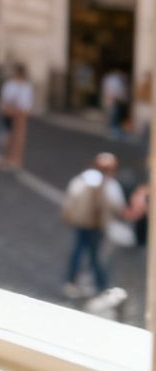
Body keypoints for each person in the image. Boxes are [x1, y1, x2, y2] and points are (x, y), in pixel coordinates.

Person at [63, 153, 129, 298]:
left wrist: (68, 215)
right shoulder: (111, 185)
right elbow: (118, 206)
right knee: (94, 255)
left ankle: (70, 282)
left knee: (78, 251)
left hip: (81, 222)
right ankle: (102, 285)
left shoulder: (84, 178)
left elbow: (71, 195)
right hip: (98, 226)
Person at [0, 63, 35, 172]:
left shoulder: (26, 86)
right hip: (10, 115)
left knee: (18, 139)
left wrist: (22, 111)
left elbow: (28, 105)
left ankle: (16, 160)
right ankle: (7, 159)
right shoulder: (10, 85)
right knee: (8, 139)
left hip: (20, 116)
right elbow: (4, 102)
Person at [102, 67, 131, 138]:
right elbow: (114, 90)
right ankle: (113, 131)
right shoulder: (115, 80)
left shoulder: (116, 80)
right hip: (114, 100)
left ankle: (112, 130)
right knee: (114, 116)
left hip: (115, 100)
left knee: (113, 116)